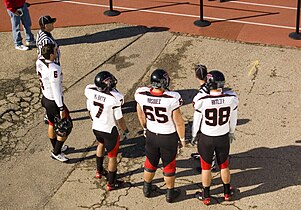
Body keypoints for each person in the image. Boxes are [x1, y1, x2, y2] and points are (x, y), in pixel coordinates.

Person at [134, 69, 186, 203]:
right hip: (167, 136)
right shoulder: (172, 98)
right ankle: (170, 193)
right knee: (169, 165)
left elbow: (140, 114)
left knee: (150, 161)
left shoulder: (141, 94)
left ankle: (147, 188)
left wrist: (145, 127)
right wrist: (182, 139)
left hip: (152, 134)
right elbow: (179, 122)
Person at [192, 70, 238, 205]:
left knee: (206, 167)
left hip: (206, 137)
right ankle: (227, 193)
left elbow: (196, 121)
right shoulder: (232, 98)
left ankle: (206, 195)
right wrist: (231, 132)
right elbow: (233, 119)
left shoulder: (202, 100)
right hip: (222, 136)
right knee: (224, 165)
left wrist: (194, 135)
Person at [85, 71, 129, 191]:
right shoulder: (115, 99)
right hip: (109, 130)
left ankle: (99, 171)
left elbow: (89, 111)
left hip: (96, 127)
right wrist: (125, 130)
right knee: (112, 156)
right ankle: (111, 183)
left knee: (100, 144)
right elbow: (120, 119)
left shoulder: (90, 92)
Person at [36, 43, 72, 162]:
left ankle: (56, 146)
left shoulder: (39, 61)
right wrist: (61, 108)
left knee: (52, 123)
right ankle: (56, 152)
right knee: (66, 127)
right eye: (55, 51)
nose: (57, 53)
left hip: (45, 98)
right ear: (51, 54)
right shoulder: (54, 69)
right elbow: (56, 90)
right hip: (54, 101)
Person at [191, 64, 217, 171]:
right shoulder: (213, 85)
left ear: (196, 76)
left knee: (205, 141)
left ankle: (210, 163)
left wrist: (193, 133)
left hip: (206, 120)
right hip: (215, 115)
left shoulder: (201, 93)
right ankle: (203, 155)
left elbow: (196, 106)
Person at [36, 15, 60, 123]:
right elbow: (45, 53)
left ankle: (49, 113)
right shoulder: (46, 41)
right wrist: (52, 65)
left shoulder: (40, 33)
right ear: (46, 25)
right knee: (53, 90)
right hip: (50, 66)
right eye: (51, 23)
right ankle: (50, 114)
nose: (53, 24)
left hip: (45, 66)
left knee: (45, 88)